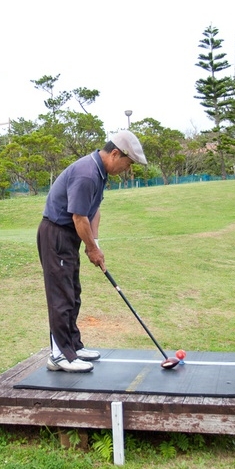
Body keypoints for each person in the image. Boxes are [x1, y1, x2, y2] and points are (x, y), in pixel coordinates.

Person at [38, 131, 147, 373]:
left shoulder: (100, 172)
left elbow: (93, 211)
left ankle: (72, 347)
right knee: (61, 295)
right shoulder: (88, 173)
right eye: (127, 164)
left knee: (73, 292)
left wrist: (95, 243)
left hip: (68, 235)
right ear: (115, 153)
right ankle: (59, 355)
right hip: (56, 234)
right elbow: (78, 217)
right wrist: (91, 249)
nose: (126, 169)